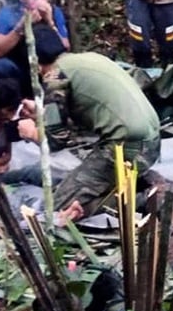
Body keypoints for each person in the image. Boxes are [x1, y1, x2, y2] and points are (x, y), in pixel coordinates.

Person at [15, 27, 161, 219]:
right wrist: (44, 113)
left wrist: (32, 132)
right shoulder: (88, 59)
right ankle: (137, 182)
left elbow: (56, 141)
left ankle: (142, 199)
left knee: (58, 207)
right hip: (151, 140)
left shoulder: (55, 77)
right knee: (76, 184)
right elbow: (86, 115)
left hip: (126, 147)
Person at [0, 0, 70, 97]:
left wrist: (50, 22)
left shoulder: (54, 11)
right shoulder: (9, 13)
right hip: (20, 67)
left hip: (48, 68)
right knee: (0, 67)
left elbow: (66, 47)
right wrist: (21, 27)